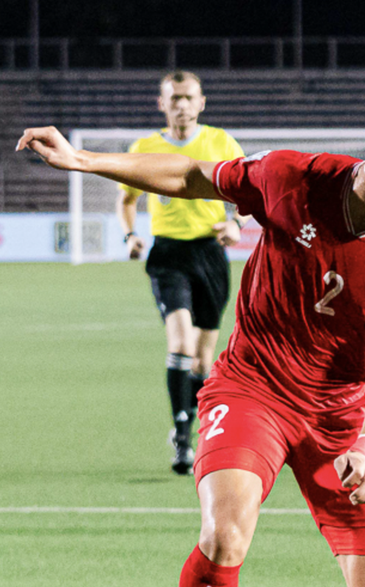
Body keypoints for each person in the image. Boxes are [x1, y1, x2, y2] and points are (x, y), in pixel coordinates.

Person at [18, 54, 365, 587]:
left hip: (345, 418)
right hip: (253, 389)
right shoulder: (293, 178)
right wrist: (83, 160)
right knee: (225, 534)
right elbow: (192, 176)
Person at [116, 70, 247, 475]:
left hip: (210, 254)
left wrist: (236, 224)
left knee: (204, 359)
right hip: (168, 255)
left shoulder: (220, 142)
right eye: (174, 99)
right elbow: (126, 199)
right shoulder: (146, 147)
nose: (182, 106)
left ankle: (192, 420)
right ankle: (183, 437)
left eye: (189, 98)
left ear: (201, 102)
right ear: (162, 104)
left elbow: (248, 192)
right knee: (181, 344)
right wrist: (130, 236)